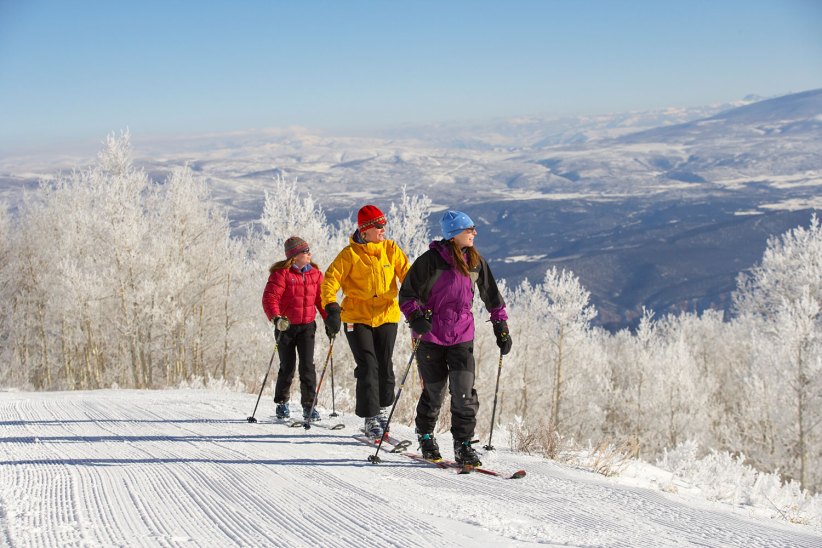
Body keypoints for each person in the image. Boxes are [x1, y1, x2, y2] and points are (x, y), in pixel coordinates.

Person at [398, 210, 512, 466]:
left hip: (462, 335)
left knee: (464, 392)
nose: (474, 232)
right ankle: (426, 435)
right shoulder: (429, 262)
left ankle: (463, 444)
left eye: (473, 228)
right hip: (431, 335)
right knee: (435, 391)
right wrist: (416, 317)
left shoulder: (475, 261)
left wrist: (500, 326)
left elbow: (492, 296)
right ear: (454, 234)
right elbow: (406, 295)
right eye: (469, 228)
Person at [321, 205, 410, 439]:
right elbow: (330, 280)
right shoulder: (349, 255)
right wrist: (331, 307)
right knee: (369, 366)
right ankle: (371, 418)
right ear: (366, 229)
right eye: (379, 226)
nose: (384, 230)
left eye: (384, 225)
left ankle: (382, 410)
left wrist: (418, 299)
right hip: (356, 317)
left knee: (385, 366)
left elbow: (407, 276)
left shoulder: (390, 249)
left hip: (387, 315)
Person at [262, 236, 327, 422]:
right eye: (306, 252)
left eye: (308, 251)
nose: (309, 254)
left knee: (308, 367)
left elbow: (321, 301)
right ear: (295, 256)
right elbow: (270, 299)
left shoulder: (315, 274)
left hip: (307, 326)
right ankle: (282, 403)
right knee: (287, 366)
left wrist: (330, 320)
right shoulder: (281, 274)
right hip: (286, 327)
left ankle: (309, 406)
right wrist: (276, 318)